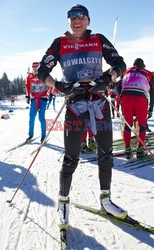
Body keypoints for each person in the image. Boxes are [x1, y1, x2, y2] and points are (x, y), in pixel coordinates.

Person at [37, 4, 127, 229]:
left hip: (99, 104)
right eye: (72, 17)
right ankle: (63, 201)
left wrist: (108, 79)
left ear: (88, 20)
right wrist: (59, 86)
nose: (77, 21)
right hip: (75, 106)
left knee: (106, 153)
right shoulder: (60, 43)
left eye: (81, 17)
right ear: (68, 21)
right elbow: (42, 72)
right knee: (71, 157)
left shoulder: (98, 39)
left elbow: (119, 64)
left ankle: (105, 199)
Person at [120, 58, 154, 159]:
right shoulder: (148, 73)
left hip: (126, 97)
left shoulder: (127, 71)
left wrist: (121, 98)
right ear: (143, 66)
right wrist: (151, 108)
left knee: (128, 124)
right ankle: (140, 150)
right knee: (142, 125)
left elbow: (119, 85)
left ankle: (128, 150)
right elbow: (152, 92)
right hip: (140, 98)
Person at [25, 62, 48, 143]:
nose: (35, 69)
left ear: (39, 67)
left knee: (41, 117)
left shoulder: (43, 74)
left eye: (36, 67)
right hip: (34, 99)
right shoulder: (30, 76)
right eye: (33, 67)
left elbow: (50, 84)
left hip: (42, 98)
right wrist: (27, 96)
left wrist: (49, 93)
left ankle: (43, 136)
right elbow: (27, 85)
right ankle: (30, 134)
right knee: (31, 118)